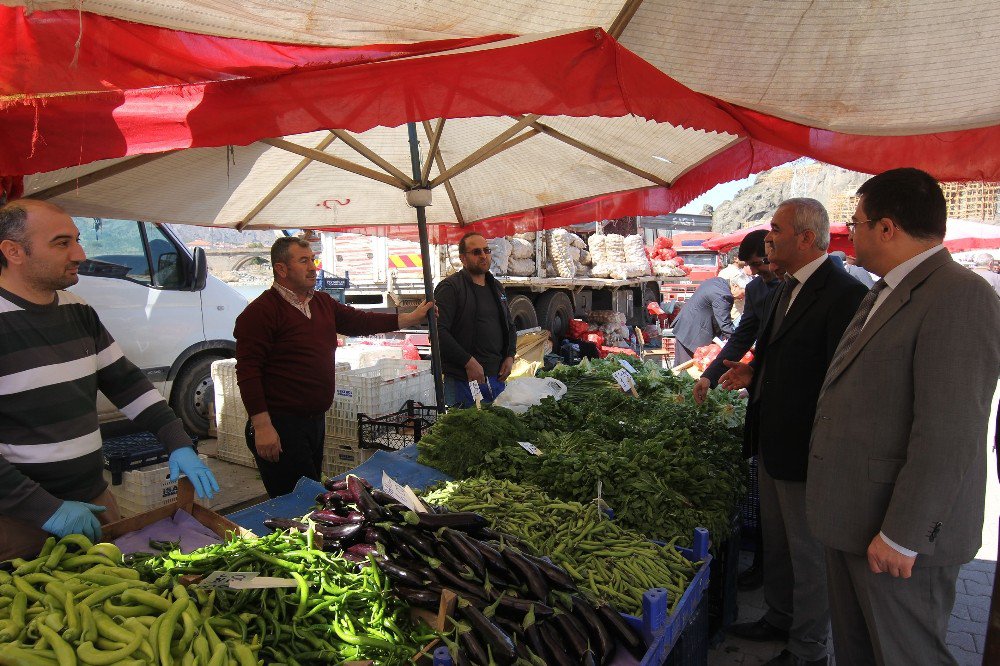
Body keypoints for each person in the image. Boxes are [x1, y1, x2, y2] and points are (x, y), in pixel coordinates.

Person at [806, 168, 1000, 665]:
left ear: (887, 228)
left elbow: (950, 432)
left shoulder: (960, 295)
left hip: (894, 538)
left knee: (906, 654)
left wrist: (903, 535)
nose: (852, 232)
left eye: (858, 222)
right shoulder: (886, 289)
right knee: (859, 652)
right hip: (855, 518)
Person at [0, 199, 218, 559]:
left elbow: (126, 383)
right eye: (61, 242)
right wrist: (45, 509)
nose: (80, 254)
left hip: (96, 502)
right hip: (19, 520)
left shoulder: (78, 311)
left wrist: (176, 438)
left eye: (77, 239)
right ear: (13, 251)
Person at [718, 198, 868, 666]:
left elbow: (839, 379)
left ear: (806, 237)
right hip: (772, 438)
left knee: (809, 555)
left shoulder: (842, 294)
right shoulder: (786, 287)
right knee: (777, 542)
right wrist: (754, 372)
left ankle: (808, 648)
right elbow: (783, 353)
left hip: (807, 449)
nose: (769, 239)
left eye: (776, 230)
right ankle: (778, 616)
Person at [234, 236, 432, 498]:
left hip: (314, 422)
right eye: (303, 261)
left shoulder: (322, 303)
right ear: (281, 269)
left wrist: (410, 317)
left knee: (311, 493)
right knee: (296, 503)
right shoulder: (260, 312)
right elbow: (248, 372)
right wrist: (262, 426)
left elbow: (360, 321)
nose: (313, 267)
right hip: (281, 426)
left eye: (313, 260)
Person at [693, 229, 781, 590]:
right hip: (764, 402)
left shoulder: (795, 287)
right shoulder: (761, 289)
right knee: (763, 488)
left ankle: (776, 571)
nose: (760, 274)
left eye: (762, 265)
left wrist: (757, 372)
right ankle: (763, 565)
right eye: (753, 269)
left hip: (787, 402)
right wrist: (709, 377)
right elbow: (744, 336)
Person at [434, 232, 516, 408]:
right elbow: (438, 332)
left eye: (486, 250)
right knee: (464, 431)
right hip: (463, 380)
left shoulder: (496, 287)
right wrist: (467, 361)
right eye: (476, 252)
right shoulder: (450, 288)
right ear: (463, 258)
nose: (483, 256)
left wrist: (510, 356)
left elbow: (509, 326)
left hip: (496, 378)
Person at [670, 276, 736, 365]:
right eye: (743, 294)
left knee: (681, 367)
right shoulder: (723, 295)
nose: (741, 298)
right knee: (686, 370)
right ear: (735, 286)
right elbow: (725, 324)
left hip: (687, 326)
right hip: (693, 334)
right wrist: (738, 342)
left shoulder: (718, 281)